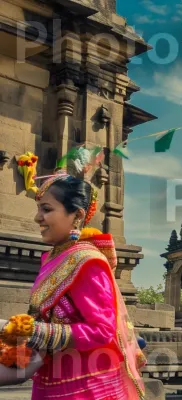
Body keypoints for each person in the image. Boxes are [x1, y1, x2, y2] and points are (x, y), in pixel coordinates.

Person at [0, 148, 145, 399]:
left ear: (77, 215)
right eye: (38, 209)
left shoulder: (87, 262)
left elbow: (102, 330)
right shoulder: (52, 257)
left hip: (85, 386)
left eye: (46, 209)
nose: (38, 218)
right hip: (49, 377)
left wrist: (34, 331)